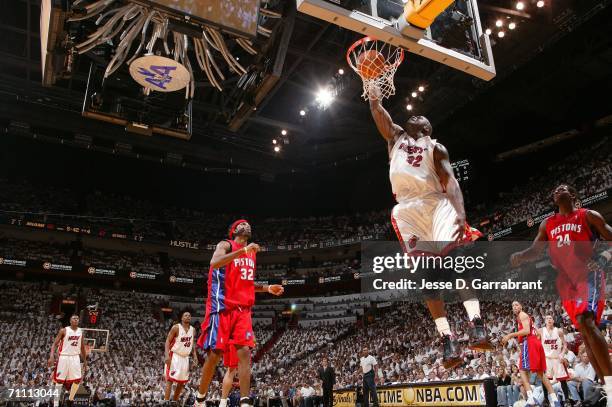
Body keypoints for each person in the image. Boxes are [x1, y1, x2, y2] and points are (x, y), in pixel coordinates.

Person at [368, 94, 489, 369]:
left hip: (437, 203)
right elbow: (379, 114)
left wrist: (460, 213)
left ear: (427, 128)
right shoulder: (395, 138)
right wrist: (373, 94)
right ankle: (447, 338)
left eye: (419, 117)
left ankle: (477, 322)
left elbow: (451, 181)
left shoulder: (435, 147)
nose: (412, 117)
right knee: (428, 278)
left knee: (458, 264)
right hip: (407, 210)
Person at [510, 184, 612, 390]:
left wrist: (604, 257)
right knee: (584, 331)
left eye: (563, 188)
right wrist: (521, 256)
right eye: (555, 189)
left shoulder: (588, 216)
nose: (558, 189)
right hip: (566, 282)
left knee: (586, 319)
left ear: (572, 195)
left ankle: (611, 383)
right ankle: (606, 387)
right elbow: (535, 250)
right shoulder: (547, 224)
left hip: (588, 275)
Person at [195, 219, 285, 407]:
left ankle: (245, 402)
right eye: (242, 224)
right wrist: (244, 250)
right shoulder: (226, 245)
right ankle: (200, 398)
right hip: (223, 307)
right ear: (234, 230)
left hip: (243, 309)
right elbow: (215, 262)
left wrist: (267, 288)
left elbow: (244, 283)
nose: (247, 225)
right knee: (215, 355)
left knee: (245, 353)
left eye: (249, 224)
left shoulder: (251, 254)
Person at [501, 301, 560, 407]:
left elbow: (527, 331)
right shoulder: (525, 317)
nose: (514, 307)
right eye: (513, 305)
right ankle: (555, 400)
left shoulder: (522, 315)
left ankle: (531, 398)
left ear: (521, 306)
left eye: (516, 305)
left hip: (529, 343)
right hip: (534, 343)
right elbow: (537, 332)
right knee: (540, 374)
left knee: (522, 370)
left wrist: (510, 335)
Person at [48, 314, 88, 407]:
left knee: (78, 380)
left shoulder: (80, 332)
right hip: (64, 357)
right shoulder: (64, 330)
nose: (76, 319)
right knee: (59, 381)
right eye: (74, 318)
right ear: (70, 320)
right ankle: (56, 403)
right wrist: (51, 356)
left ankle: (70, 399)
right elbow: (54, 344)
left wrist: (85, 362)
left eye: (77, 318)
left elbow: (82, 347)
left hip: (75, 357)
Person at [164, 311, 197, 403]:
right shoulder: (176, 327)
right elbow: (167, 341)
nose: (188, 316)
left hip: (185, 357)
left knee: (181, 382)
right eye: (185, 315)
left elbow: (192, 344)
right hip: (175, 355)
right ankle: (166, 402)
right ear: (182, 318)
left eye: (189, 315)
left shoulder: (193, 330)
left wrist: (195, 356)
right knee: (170, 380)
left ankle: (174, 401)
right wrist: (167, 355)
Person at [538, 315, 570, 402]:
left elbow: (565, 344)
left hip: (557, 358)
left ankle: (567, 400)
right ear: (545, 321)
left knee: (563, 380)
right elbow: (537, 345)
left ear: (553, 320)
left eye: (551, 318)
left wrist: (562, 354)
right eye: (547, 318)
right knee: (545, 379)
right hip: (547, 358)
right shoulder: (540, 331)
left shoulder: (559, 331)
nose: (549, 319)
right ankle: (545, 399)